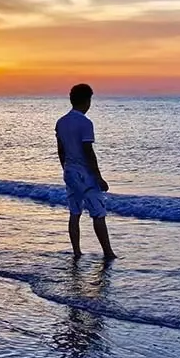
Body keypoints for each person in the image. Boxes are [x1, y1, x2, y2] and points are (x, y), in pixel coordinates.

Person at [55, 84, 116, 260]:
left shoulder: (61, 122)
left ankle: (76, 251)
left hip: (69, 171)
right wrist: (98, 177)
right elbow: (88, 151)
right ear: (87, 100)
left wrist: (65, 168)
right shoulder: (85, 123)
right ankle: (108, 252)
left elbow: (61, 150)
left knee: (75, 212)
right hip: (84, 173)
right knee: (98, 213)